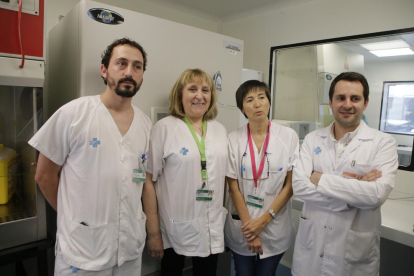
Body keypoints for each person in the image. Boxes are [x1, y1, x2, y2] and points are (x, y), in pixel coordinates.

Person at [29, 38, 151, 275]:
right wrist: (72, 217)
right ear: (104, 70)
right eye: (121, 63)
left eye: (137, 66)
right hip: (83, 250)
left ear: (142, 75)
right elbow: (44, 176)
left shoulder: (145, 123)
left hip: (129, 248)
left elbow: (140, 178)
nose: (129, 72)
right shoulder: (74, 113)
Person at [291, 72, 398, 276]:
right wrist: (351, 198)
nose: (347, 104)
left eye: (355, 98)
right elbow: (300, 187)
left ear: (365, 103)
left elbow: (375, 196)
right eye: (341, 98)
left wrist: (319, 178)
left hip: (352, 259)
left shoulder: (383, 143)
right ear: (330, 102)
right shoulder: (313, 139)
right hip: (311, 252)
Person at [142, 68, 228, 276]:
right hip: (174, 223)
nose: (200, 95)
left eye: (205, 90)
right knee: (171, 271)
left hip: (211, 223)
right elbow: (148, 180)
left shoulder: (219, 130)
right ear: (180, 95)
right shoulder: (164, 128)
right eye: (192, 89)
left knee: (207, 272)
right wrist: (153, 232)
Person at [224, 80, 298, 276]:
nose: (257, 104)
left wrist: (263, 221)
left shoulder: (288, 136)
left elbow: (290, 185)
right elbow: (233, 186)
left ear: (269, 102)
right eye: (249, 99)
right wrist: (250, 229)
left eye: (262, 97)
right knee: (243, 273)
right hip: (243, 226)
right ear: (242, 109)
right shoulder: (233, 138)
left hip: (275, 224)